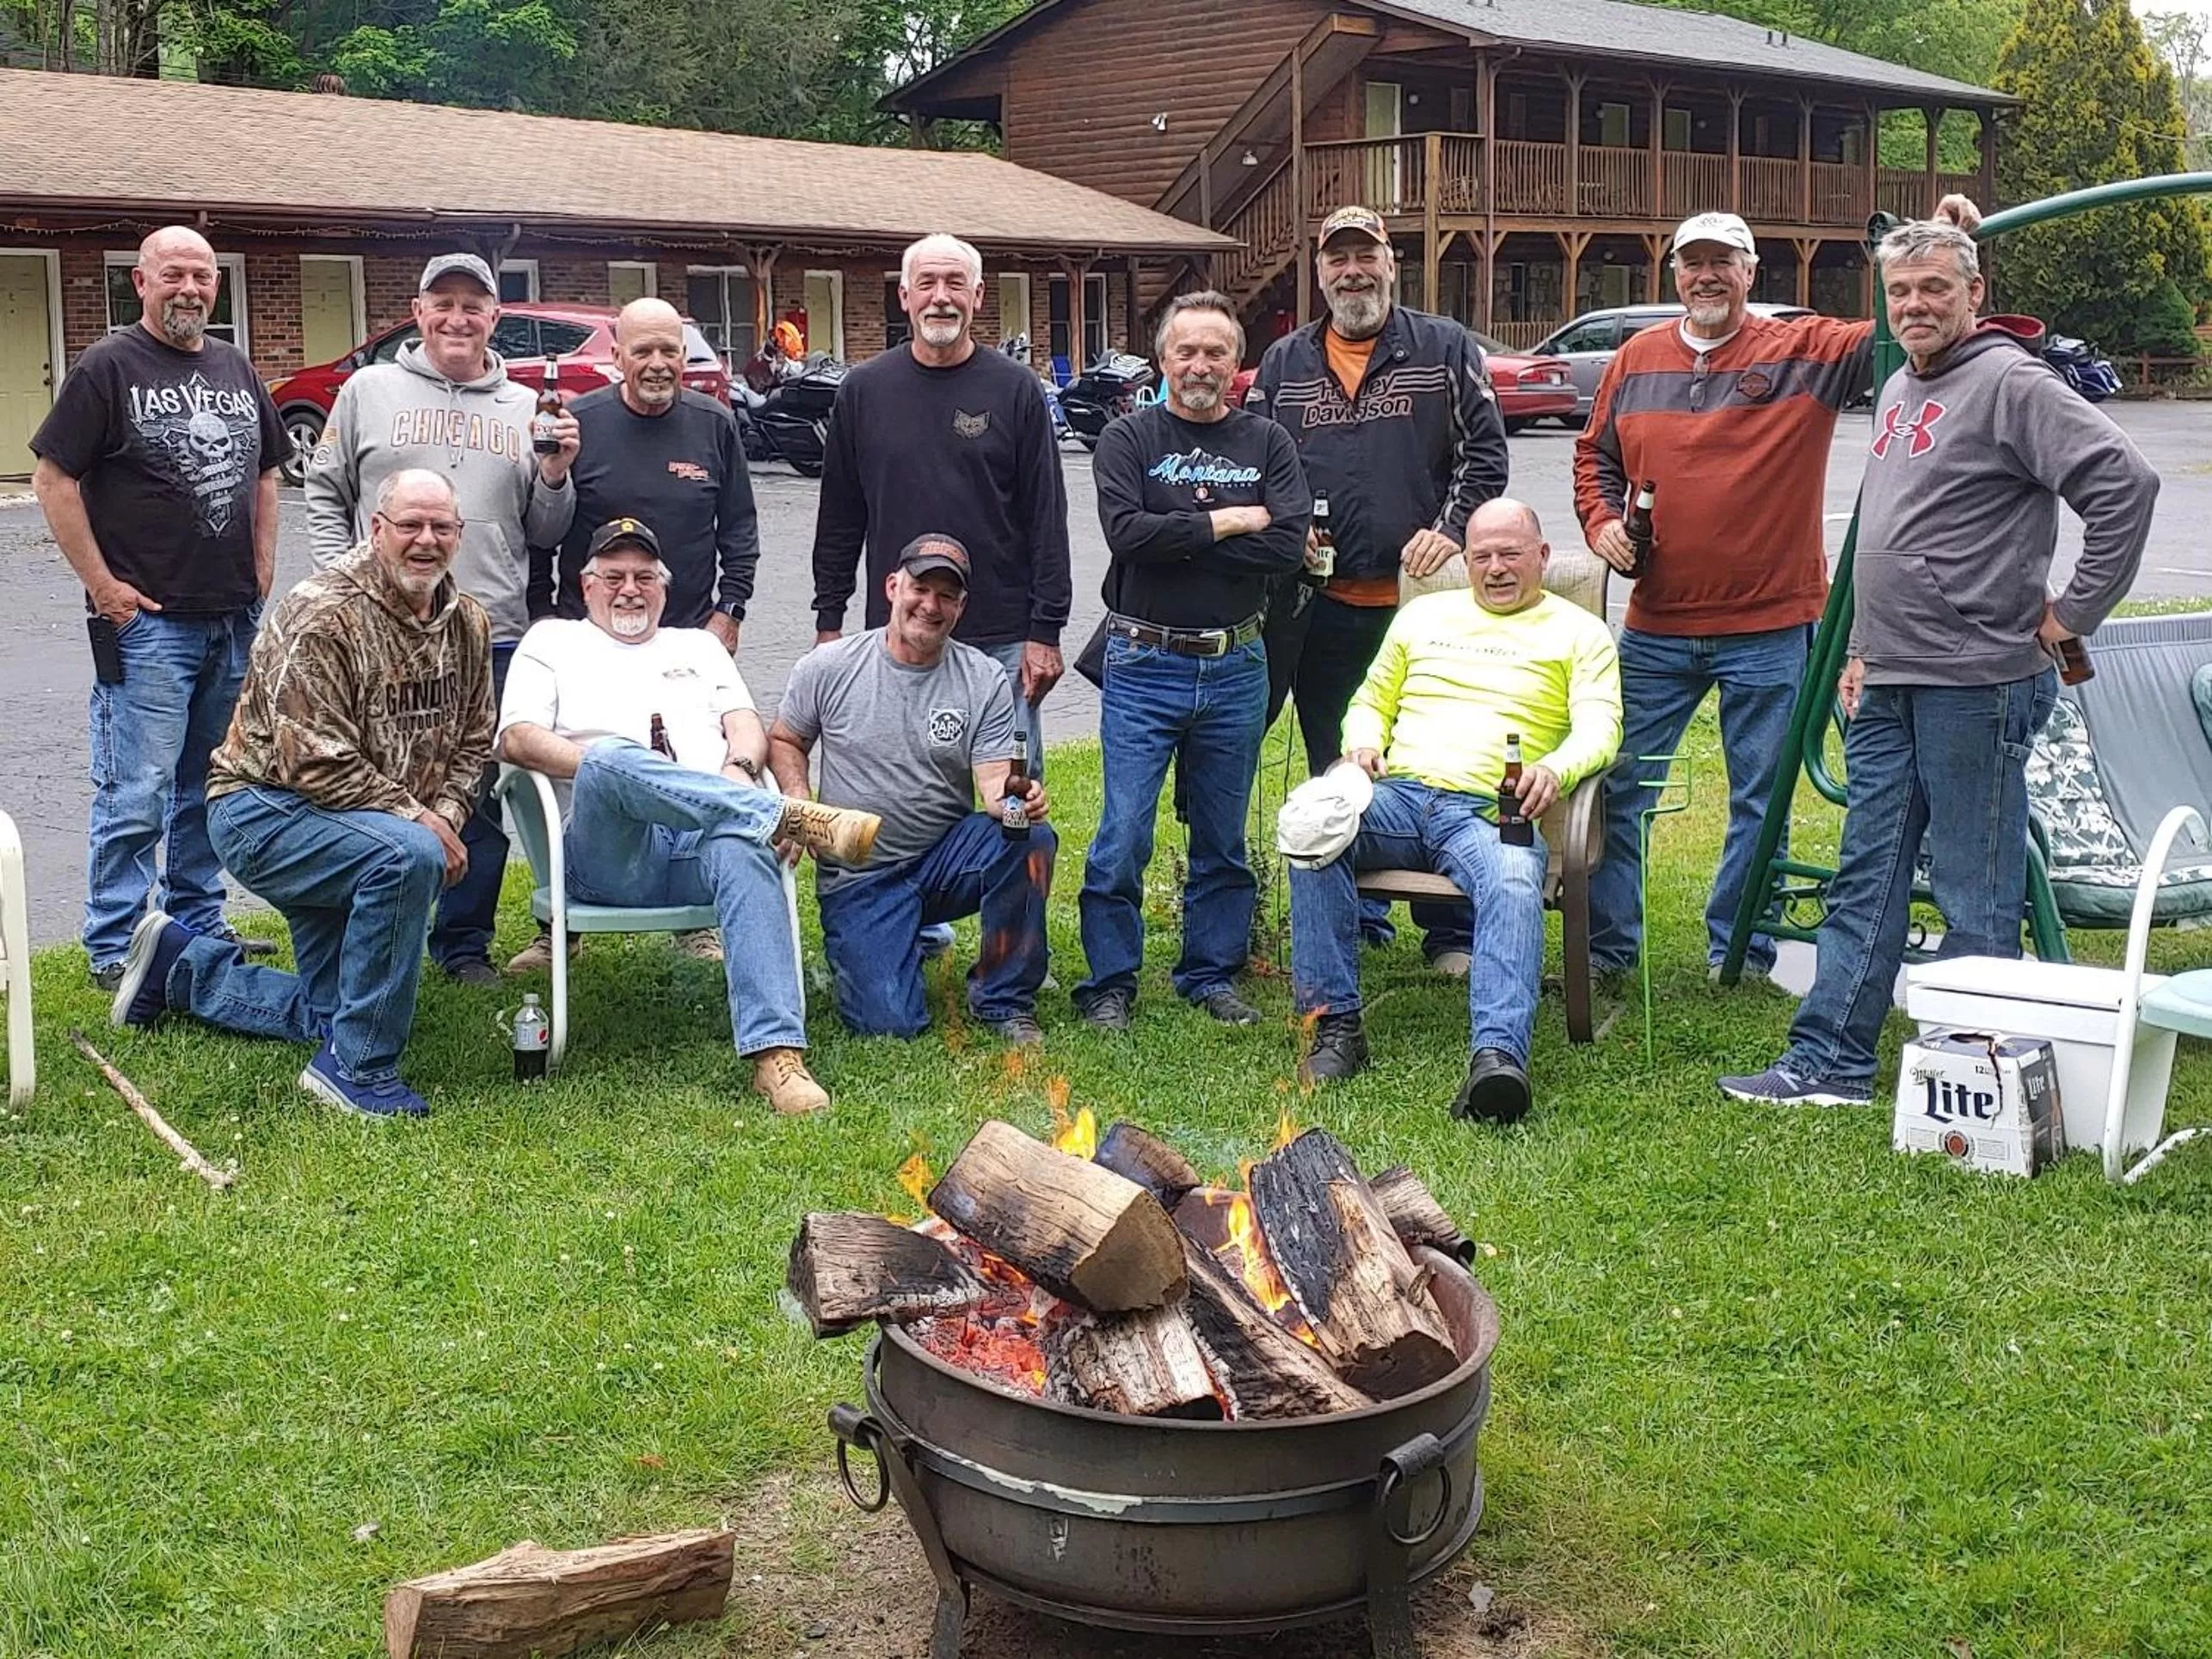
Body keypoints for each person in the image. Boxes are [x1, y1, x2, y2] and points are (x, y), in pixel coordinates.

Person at [1722, 220, 2155, 1106]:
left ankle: (1980, 1072)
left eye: (1934, 288)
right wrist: (1856, 647)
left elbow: (2124, 483)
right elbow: (1886, 530)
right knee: (1867, 871)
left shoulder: (2008, 382)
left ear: (1973, 293)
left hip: (1979, 681)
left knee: (1973, 884)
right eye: (1900, 291)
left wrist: (2072, 615)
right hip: (1891, 676)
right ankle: (1830, 1062)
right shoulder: (1900, 386)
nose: (1915, 304)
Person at [1576, 199, 1979, 987]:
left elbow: (1903, 325)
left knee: (1759, 800)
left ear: (1751, 273)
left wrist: (1935, 237)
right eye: (1693, 262)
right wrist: (1600, 525)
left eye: (1723, 262)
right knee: (1620, 784)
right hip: (1654, 627)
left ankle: (1741, 948)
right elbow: (1596, 458)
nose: (1706, 276)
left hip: (1770, 625)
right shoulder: (1636, 358)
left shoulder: (1803, 348)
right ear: (1675, 274)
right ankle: (1609, 946)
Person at [105, 471, 495, 1120]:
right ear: (377, 529)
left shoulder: (468, 624)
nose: (425, 540)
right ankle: (358, 1071)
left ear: (458, 535)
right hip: (265, 811)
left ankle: (181, 968)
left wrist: (448, 816)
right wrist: (422, 824)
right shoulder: (323, 613)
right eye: (409, 526)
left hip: (365, 824)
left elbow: (475, 740)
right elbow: (312, 759)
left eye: (441, 527)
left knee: (333, 1009)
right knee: (406, 860)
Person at [497, 519, 875, 1116]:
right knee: (615, 758)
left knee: (743, 843)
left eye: (645, 577)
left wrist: (742, 767)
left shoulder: (697, 645)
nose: (630, 589)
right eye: (614, 576)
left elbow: (745, 723)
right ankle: (779, 814)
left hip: (702, 841)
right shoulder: (552, 641)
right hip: (610, 853)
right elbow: (516, 738)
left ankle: (777, 1056)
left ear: (664, 590)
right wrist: (607, 768)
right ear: (586, 584)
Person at [1289, 501, 1620, 1124]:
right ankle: (1336, 1025)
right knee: (1313, 832)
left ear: (1542, 558)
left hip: (1487, 810)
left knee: (1515, 877)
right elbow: (1370, 699)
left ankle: (1497, 1059)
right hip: (1399, 795)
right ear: (1465, 560)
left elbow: (1602, 726)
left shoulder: (1579, 632)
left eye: (1510, 555)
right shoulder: (1424, 616)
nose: (1495, 569)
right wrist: (1362, 741)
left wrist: (1558, 768)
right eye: (1482, 557)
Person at [304, 251, 580, 986]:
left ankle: (461, 943)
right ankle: (370, 925)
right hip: (375, 629)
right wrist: (342, 583)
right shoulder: (368, 389)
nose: (458, 317)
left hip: (488, 629)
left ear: (495, 316)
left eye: (474, 304)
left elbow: (547, 529)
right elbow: (324, 492)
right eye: (443, 302)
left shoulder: (526, 407)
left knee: (476, 789)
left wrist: (555, 476)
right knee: (368, 777)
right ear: (418, 311)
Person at [1248, 204, 1508, 972]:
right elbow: (1261, 461)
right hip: (1320, 606)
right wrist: (1287, 528)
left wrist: (1453, 526)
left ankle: (1448, 926)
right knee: (1338, 757)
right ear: (1320, 269)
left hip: (1421, 606)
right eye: (1338, 259)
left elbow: (1485, 456)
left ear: (1393, 264)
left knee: (1436, 760)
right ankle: (1357, 913)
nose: (1352, 271)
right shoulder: (1284, 362)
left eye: (1367, 257)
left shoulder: (1443, 347)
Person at [31, 224, 287, 989]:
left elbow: (269, 472)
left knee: (207, 783)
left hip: (232, 619)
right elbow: (53, 480)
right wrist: (105, 589)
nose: (190, 289)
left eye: (202, 277)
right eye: (173, 274)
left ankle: (197, 921)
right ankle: (114, 943)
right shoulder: (108, 366)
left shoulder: (236, 366)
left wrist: (263, 565)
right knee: (135, 788)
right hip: (149, 626)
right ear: (139, 283)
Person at [1075, 292, 1310, 1031]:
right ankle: (1111, 981)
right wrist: (1232, 518)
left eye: (1216, 352)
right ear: (1163, 360)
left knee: (1222, 836)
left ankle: (1210, 973)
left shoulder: (1268, 441)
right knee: (1124, 832)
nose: (1201, 365)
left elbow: (1287, 546)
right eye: (1187, 351)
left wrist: (1179, 530)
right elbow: (1128, 535)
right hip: (1144, 661)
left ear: (1236, 363)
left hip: (1237, 664)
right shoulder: (1128, 439)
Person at [527, 296, 759, 970]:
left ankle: (695, 915)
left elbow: (739, 529)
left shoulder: (715, 424)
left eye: (671, 351)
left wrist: (731, 611)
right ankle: (559, 925)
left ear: (685, 357)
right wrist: (546, 612)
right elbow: (543, 524)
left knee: (688, 758)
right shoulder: (582, 423)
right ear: (617, 356)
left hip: (685, 627)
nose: (658, 363)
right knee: (585, 771)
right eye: (643, 351)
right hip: (589, 629)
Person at [769, 536, 1055, 1046]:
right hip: (861, 876)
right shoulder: (830, 666)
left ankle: (1004, 998)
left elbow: (994, 784)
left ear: (962, 607)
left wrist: (1019, 800)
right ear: (892, 587)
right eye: (921, 588)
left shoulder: (982, 677)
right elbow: (787, 738)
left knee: (1028, 838)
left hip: (943, 859)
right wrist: (798, 798)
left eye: (948, 596)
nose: (931, 605)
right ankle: (890, 940)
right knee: (890, 1025)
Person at [810, 232, 1071, 769]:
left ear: (978, 297)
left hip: (1001, 637)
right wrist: (829, 620)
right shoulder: (863, 391)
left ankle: (1017, 858)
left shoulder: (1016, 389)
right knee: (901, 785)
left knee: (1015, 796)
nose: (941, 296)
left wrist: (1045, 630)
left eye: (956, 283)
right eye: (926, 283)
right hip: (898, 632)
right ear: (904, 296)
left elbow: (1047, 516)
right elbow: (840, 516)